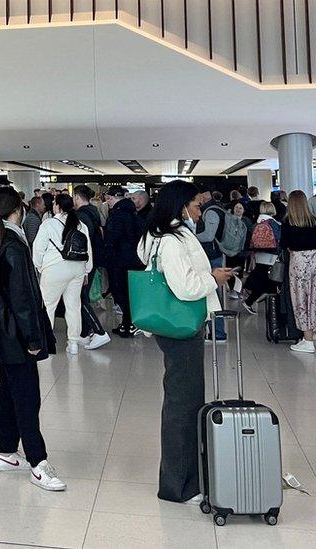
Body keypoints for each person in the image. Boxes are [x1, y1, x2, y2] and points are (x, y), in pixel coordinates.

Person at [136, 180, 232, 504]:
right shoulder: (173, 239)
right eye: (195, 204)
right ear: (181, 207)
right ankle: (178, 487)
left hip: (172, 328)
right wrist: (213, 279)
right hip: (181, 329)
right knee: (183, 407)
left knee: (184, 403)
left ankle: (185, 480)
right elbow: (186, 288)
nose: (199, 209)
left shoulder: (155, 234)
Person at [0, 187, 65, 492]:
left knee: (7, 390)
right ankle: (38, 463)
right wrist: (33, 338)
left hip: (2, 334)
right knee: (27, 397)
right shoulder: (13, 245)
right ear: (18, 209)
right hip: (17, 335)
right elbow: (22, 299)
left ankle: (6, 452)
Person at [33, 194, 92, 354]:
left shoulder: (48, 224)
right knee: (73, 306)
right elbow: (88, 251)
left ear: (58, 206)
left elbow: (38, 249)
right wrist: (87, 270)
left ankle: (46, 342)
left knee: (48, 306)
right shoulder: (81, 225)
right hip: (77, 269)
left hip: (54, 269)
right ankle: (73, 343)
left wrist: (39, 267)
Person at [72, 186, 110, 350]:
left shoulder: (81, 215)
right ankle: (84, 333)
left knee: (80, 298)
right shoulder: (93, 211)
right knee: (82, 296)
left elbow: (82, 242)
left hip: (85, 262)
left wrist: (84, 267)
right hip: (92, 259)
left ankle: (99, 332)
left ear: (76, 197)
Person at [104, 185, 143, 337]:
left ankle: (129, 323)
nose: (108, 202)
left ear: (115, 197)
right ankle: (127, 323)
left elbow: (113, 237)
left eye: (109, 199)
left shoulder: (118, 214)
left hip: (119, 259)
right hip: (132, 259)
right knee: (127, 292)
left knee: (120, 292)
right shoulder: (132, 212)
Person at [282, 190, 316, 353]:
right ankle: (311, 337)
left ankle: (307, 339)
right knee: (314, 299)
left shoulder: (288, 222)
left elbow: (284, 244)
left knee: (300, 300)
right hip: (315, 261)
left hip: (298, 263)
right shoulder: (314, 221)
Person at [195, 188, 229, 341]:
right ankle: (216, 332)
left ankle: (218, 332)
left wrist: (191, 237)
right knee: (214, 293)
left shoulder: (210, 212)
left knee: (213, 294)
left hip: (211, 256)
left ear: (204, 195)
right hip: (215, 255)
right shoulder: (217, 209)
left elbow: (209, 235)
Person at [240, 202, 281, 314]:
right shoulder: (274, 223)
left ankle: (251, 299)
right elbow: (278, 240)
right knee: (271, 280)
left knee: (263, 279)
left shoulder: (257, 223)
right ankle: (253, 301)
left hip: (259, 255)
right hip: (271, 255)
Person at [225, 202, 253, 294]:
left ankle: (237, 290)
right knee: (230, 269)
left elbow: (250, 236)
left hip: (242, 251)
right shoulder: (228, 220)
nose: (237, 209)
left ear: (244, 210)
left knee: (239, 270)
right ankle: (231, 287)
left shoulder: (247, 221)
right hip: (230, 250)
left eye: (240, 208)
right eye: (236, 207)